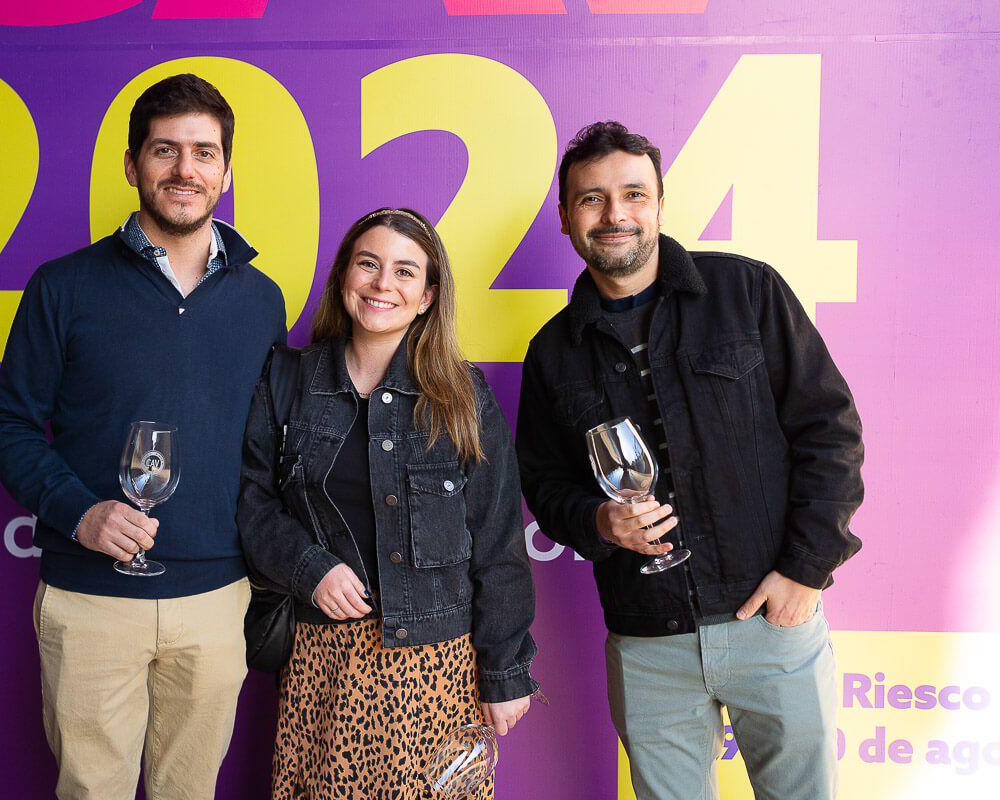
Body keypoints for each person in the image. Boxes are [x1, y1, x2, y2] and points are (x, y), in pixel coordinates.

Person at [516, 121, 864, 799]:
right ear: (564, 217)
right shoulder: (553, 352)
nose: (614, 214)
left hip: (771, 620)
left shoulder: (747, 292)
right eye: (591, 199)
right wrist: (597, 522)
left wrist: (805, 570)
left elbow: (830, 431)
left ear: (659, 203)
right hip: (648, 643)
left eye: (632, 194)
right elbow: (544, 483)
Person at [0, 74, 285, 800]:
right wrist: (80, 513)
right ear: (132, 165)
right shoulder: (62, 286)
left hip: (217, 597)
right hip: (90, 597)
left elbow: (266, 446)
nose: (186, 169)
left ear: (226, 171)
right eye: (165, 150)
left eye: (204, 153)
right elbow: (7, 425)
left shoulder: (261, 299)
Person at [238, 208, 538, 799]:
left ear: (427, 297)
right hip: (322, 661)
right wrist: (309, 568)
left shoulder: (463, 395)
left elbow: (499, 542)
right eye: (368, 264)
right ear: (343, 277)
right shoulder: (287, 380)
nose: (382, 284)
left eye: (405, 271)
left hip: (438, 666)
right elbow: (253, 503)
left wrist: (504, 671)